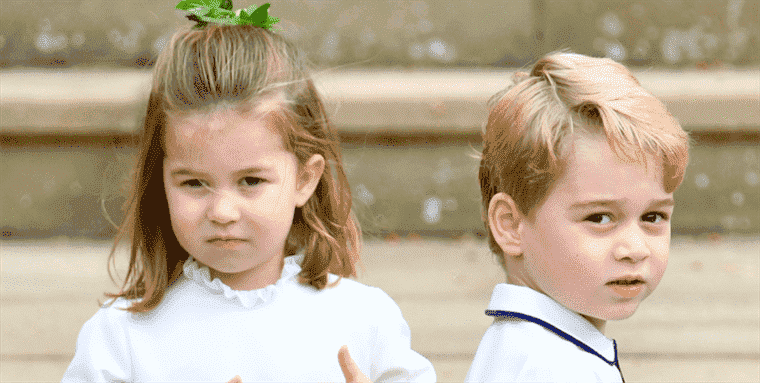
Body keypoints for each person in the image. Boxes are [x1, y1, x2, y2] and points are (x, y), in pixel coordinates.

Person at [62, 2, 434, 382]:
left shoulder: (365, 320)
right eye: (194, 183)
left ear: (305, 180)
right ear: (161, 182)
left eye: (251, 182)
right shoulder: (120, 339)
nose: (222, 211)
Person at [466, 51, 689, 382]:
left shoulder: (524, 345)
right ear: (511, 225)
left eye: (653, 217)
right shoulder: (555, 368)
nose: (634, 248)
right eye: (600, 218)